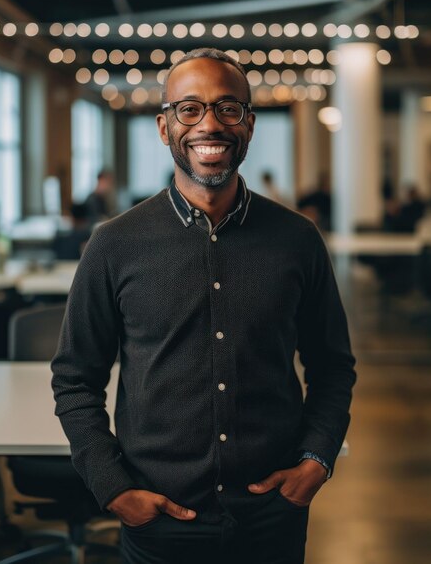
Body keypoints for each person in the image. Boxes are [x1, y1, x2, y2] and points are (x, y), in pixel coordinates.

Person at [51, 48, 356, 564]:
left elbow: (333, 366)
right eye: (188, 109)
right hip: (159, 518)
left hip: (273, 513)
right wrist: (112, 486)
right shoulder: (115, 245)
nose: (209, 124)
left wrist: (316, 459)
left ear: (250, 124)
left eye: (227, 108)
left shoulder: (298, 241)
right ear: (164, 127)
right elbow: (76, 378)